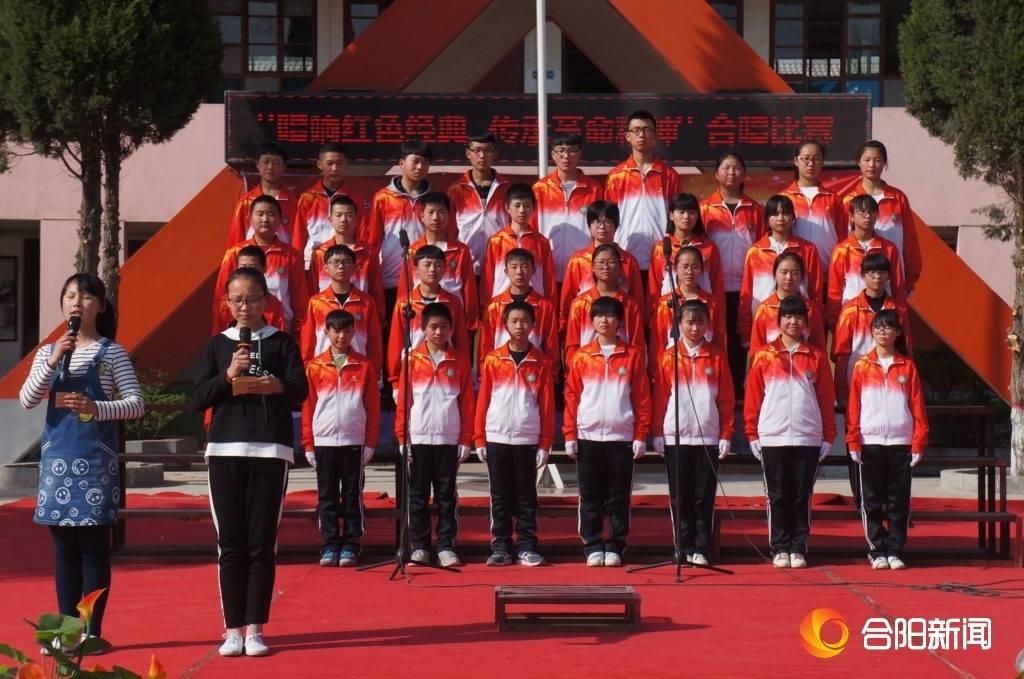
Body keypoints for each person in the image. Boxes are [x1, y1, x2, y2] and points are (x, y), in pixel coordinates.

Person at [19, 273, 143, 653]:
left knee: (93, 551)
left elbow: (136, 404)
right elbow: (28, 399)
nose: (77, 302)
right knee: (64, 553)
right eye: (70, 295)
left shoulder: (112, 353)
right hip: (57, 463)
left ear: (100, 306)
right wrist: (54, 359)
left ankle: (91, 632)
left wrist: (96, 406)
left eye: (87, 296)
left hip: (94, 463)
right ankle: (66, 631)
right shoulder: (48, 352)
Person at [192, 267, 308, 657]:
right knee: (231, 543)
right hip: (225, 450)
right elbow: (198, 398)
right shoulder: (217, 345)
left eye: (253, 298)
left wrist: (277, 385)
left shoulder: (281, 342)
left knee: (261, 543)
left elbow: (300, 390)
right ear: (227, 302)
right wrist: (228, 375)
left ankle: (255, 628)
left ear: (266, 301)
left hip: (270, 450)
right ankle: (232, 630)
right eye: (237, 299)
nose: (245, 306)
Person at [744, 296, 836, 569]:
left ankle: (798, 547)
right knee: (777, 495)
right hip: (773, 436)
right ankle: (779, 547)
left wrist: (829, 435)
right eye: (788, 316)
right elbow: (753, 398)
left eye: (798, 317)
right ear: (779, 320)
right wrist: (752, 433)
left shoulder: (816, 356)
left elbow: (826, 398)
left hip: (807, 436)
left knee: (801, 495)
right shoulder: (764, 356)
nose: (793, 321)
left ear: (806, 323)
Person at [563, 296, 650, 566]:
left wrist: (641, 434)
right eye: (599, 316)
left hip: (620, 435)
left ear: (620, 321)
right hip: (588, 435)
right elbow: (572, 396)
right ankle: (592, 544)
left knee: (618, 495)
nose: (604, 320)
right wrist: (569, 433)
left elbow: (641, 397)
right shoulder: (581, 356)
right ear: (591, 321)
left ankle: (615, 544)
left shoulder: (632, 355)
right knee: (590, 494)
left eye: (610, 316)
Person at [651, 299, 734, 566]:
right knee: (680, 496)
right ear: (679, 324)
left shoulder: (717, 356)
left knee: (703, 496)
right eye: (689, 322)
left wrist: (726, 433)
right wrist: (657, 432)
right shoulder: (669, 357)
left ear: (708, 325)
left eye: (700, 322)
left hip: (707, 436)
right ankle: (682, 545)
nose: (695, 328)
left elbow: (726, 399)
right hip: (676, 435)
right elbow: (661, 397)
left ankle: (700, 547)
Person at [475, 301, 555, 567]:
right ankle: (500, 546)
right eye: (514, 321)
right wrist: (479, 437)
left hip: (527, 436)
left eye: (525, 321)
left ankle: (527, 546)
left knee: (526, 496)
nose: (519, 326)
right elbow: (483, 399)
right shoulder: (493, 360)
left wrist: (545, 442)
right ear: (505, 325)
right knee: (499, 495)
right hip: (496, 436)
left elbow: (546, 406)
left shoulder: (542, 362)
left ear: (533, 325)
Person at [846, 310, 928, 570]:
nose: (883, 331)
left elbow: (917, 406)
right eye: (878, 327)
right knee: (870, 500)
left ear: (898, 332)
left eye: (889, 327)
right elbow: (854, 407)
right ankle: (876, 550)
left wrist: (918, 441)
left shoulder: (907, 366)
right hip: (870, 441)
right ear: (872, 332)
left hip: (900, 441)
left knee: (898, 500)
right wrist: (853, 440)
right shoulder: (861, 366)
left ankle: (895, 550)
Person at [394, 303, 474, 568]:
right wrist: (402, 437)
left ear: (451, 329)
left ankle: (446, 546)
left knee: (446, 496)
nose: (439, 332)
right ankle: (419, 546)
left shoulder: (460, 360)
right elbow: (404, 401)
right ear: (423, 329)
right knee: (417, 496)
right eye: (433, 327)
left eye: (444, 326)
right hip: (418, 438)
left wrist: (466, 438)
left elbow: (466, 402)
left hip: (448, 438)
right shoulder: (412, 359)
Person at [301, 310, 381, 568]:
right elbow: (308, 407)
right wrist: (308, 442)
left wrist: (370, 442)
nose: (341, 336)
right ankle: (329, 545)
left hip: (353, 441)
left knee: (352, 496)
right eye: (336, 331)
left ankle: (351, 544)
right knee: (327, 497)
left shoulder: (364, 365)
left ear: (353, 333)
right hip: (324, 441)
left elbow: (372, 407)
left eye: (347, 331)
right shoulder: (315, 366)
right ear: (326, 332)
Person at [700, 152, 763, 396]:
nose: (732, 172)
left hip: (746, 288)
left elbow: (761, 247)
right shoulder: (705, 209)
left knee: (740, 341)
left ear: (744, 174)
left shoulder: (755, 210)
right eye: (726, 167)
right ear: (716, 174)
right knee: (714, 337)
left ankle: (737, 392)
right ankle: (715, 391)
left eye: (737, 168)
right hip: (713, 286)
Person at [214, 195, 309, 335]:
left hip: (280, 328)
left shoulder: (291, 255)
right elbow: (221, 297)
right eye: (260, 214)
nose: (265, 219)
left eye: (271, 214)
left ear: (280, 219)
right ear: (250, 219)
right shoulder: (234, 253)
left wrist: (297, 334)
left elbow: (300, 299)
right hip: (239, 329)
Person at [738, 195, 823, 344]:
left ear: (793, 217)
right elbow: (747, 293)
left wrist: (814, 322)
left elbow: (815, 291)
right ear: (766, 219)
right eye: (775, 214)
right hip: (764, 324)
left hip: (798, 324)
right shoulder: (756, 251)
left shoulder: (808, 250)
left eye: (786, 213)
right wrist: (746, 331)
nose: (781, 218)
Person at [841, 140, 922, 293]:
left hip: (892, 277)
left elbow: (910, 240)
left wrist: (910, 278)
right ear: (858, 162)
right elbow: (842, 242)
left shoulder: (897, 198)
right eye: (867, 160)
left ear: (884, 163)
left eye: (877, 160)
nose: (872, 165)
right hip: (857, 278)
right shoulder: (848, 201)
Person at [367, 138, 433, 323]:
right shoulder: (383, 198)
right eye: (416, 161)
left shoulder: (433, 200)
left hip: (424, 279)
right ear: (402, 163)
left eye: (425, 163)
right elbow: (373, 241)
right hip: (391, 278)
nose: (420, 167)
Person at [605, 110, 680, 273]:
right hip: (624, 257)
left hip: (661, 258)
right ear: (627, 136)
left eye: (647, 130)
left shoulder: (669, 175)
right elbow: (608, 219)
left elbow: (677, 218)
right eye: (636, 130)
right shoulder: (616, 176)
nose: (641, 135)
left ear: (655, 136)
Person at [386, 245, 469, 391]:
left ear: (444, 269)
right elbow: (396, 343)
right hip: (413, 370)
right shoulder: (405, 304)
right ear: (416, 269)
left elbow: (460, 340)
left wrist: (464, 372)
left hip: (445, 369)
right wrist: (395, 381)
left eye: (438, 265)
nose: (432, 269)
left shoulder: (453, 302)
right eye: (427, 265)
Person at [832, 253, 913, 402]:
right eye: (872, 272)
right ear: (862, 276)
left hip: (892, 381)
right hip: (857, 380)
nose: (877, 277)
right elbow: (841, 354)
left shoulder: (898, 310)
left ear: (889, 276)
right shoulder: (850, 310)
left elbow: (906, 347)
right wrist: (841, 390)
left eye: (882, 272)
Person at [397, 191, 479, 330]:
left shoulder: (461, 251)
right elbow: (405, 290)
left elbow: (469, 291)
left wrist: (470, 326)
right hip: (419, 321)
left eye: (441, 212)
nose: (435, 217)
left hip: (452, 319)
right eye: (430, 212)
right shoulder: (412, 251)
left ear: (448, 216)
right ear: (422, 216)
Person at [559, 200, 645, 329]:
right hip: (585, 327)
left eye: (608, 221)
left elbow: (637, 299)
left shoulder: (629, 261)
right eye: (597, 222)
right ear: (589, 226)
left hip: (620, 328)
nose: (602, 226)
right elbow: (567, 300)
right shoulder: (578, 260)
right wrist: (564, 328)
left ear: (616, 225)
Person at [298, 243, 383, 374]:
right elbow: (307, 340)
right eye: (335, 262)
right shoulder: (316, 302)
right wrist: (307, 368)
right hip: (323, 371)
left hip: (358, 370)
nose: (341, 266)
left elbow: (374, 340)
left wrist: (374, 370)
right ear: (325, 267)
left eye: (346, 262)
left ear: (354, 267)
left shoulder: (366, 302)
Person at [532, 132, 605, 281]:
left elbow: (602, 230)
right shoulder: (540, 189)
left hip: (583, 267)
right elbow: (531, 227)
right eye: (561, 151)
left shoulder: (594, 189)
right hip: (546, 267)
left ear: (579, 154)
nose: (566, 156)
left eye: (572, 151)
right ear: (553, 155)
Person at [826, 194, 906, 327]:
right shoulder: (841, 250)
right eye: (862, 211)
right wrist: (834, 322)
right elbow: (834, 291)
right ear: (851, 216)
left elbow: (897, 287)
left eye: (872, 211)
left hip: (883, 320)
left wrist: (900, 318)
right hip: (851, 317)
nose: (868, 216)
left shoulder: (889, 248)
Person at [478, 249, 559, 372]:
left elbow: (551, 346)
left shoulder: (545, 306)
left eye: (525, 266)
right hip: (500, 371)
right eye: (514, 267)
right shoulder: (493, 306)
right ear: (506, 271)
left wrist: (551, 374)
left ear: (534, 270)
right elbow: (486, 345)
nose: (519, 272)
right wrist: (483, 374)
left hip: (534, 372)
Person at [307, 194, 385, 322]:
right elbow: (312, 289)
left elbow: (376, 289)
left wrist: (379, 318)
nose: (343, 220)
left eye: (349, 215)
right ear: (330, 219)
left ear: (356, 219)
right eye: (338, 215)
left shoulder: (369, 252)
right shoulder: (320, 253)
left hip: (360, 316)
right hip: (326, 318)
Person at [649, 246, 725, 373]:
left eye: (694, 267)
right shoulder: (665, 303)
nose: (689, 271)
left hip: (705, 366)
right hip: (673, 366)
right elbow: (658, 342)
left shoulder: (712, 303)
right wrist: (656, 373)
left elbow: (720, 338)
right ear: (675, 269)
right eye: (685, 267)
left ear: (701, 269)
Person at [564, 245, 644, 365]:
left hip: (621, 369)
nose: (606, 267)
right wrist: (573, 371)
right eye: (600, 262)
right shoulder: (579, 303)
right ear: (592, 267)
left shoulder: (630, 305)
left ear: (620, 267)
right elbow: (572, 345)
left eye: (611, 262)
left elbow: (637, 344)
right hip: (587, 368)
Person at [446, 130, 511, 274]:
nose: (482, 156)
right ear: (468, 153)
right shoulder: (456, 190)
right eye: (477, 150)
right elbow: (450, 230)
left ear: (495, 153)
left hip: (500, 265)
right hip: (465, 264)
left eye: (488, 150)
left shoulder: (507, 188)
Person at [648, 192, 725, 313]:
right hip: (669, 311)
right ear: (671, 215)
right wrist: (653, 315)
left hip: (703, 314)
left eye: (692, 212)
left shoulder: (709, 247)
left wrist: (719, 315)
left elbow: (717, 286)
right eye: (681, 212)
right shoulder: (661, 248)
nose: (686, 217)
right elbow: (654, 287)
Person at [480, 183, 556, 304]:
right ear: (507, 208)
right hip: (502, 305)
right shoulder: (496, 241)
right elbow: (487, 279)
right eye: (517, 205)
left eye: (527, 205)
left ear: (533, 208)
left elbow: (549, 279)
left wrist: (550, 305)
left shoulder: (541, 242)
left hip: (534, 305)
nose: (522, 210)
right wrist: (486, 307)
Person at [293, 142, 366, 268]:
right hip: (313, 263)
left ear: (346, 164)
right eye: (329, 163)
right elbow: (299, 236)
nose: (334, 168)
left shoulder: (356, 198)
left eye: (339, 163)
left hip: (346, 265)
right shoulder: (307, 198)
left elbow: (362, 232)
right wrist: (296, 265)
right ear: (319, 164)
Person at [781, 140, 846, 270]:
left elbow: (843, 237)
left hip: (828, 271)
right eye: (806, 159)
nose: (811, 164)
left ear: (822, 162)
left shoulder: (833, 199)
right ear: (796, 161)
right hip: (794, 274)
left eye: (816, 159)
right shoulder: (784, 198)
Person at [748, 252, 826, 354]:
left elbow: (819, 349)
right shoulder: (764, 309)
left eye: (794, 273)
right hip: (771, 363)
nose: (789, 277)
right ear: (774, 274)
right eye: (784, 272)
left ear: (801, 276)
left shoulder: (810, 308)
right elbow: (756, 350)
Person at [226, 142, 297, 246]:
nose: (270, 167)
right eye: (266, 162)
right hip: (252, 256)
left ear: (284, 166)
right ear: (257, 164)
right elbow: (236, 239)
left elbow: (299, 238)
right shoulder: (246, 202)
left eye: (276, 163)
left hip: (284, 256)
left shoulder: (294, 202)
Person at [212, 245, 288, 334]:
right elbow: (218, 335)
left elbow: (279, 336)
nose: (248, 272)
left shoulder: (273, 303)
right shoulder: (225, 304)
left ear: (264, 269)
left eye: (253, 268)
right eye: (243, 267)